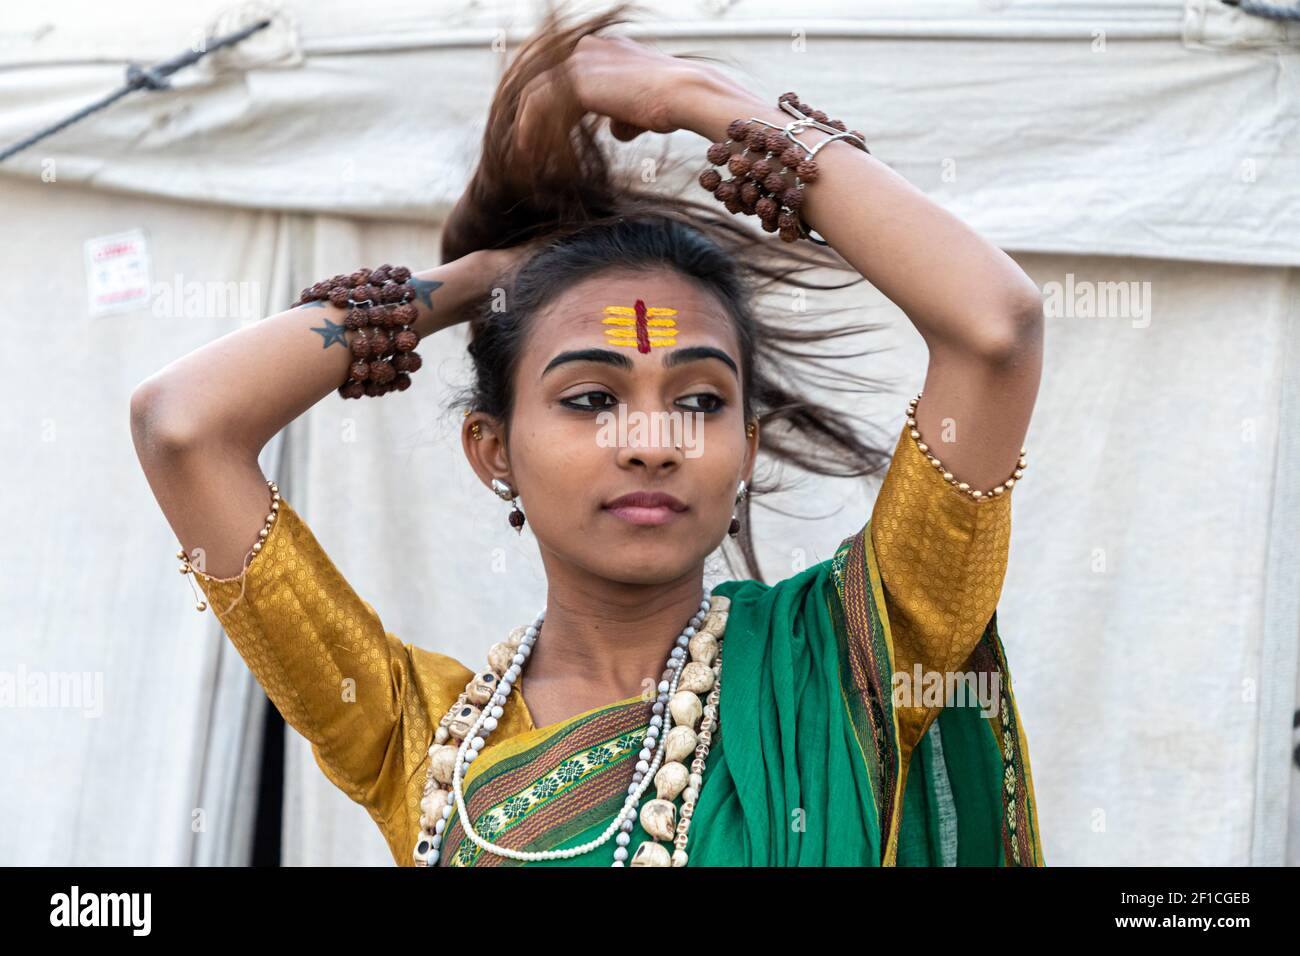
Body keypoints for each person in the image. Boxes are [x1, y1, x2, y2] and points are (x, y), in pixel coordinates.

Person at [130, 5, 1045, 867]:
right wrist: (483, 279)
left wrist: (698, 100)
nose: (652, 441)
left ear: (748, 451)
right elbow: (183, 425)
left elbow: (993, 329)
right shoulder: (428, 741)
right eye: (588, 399)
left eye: (699, 402)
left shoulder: (857, 659)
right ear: (493, 450)